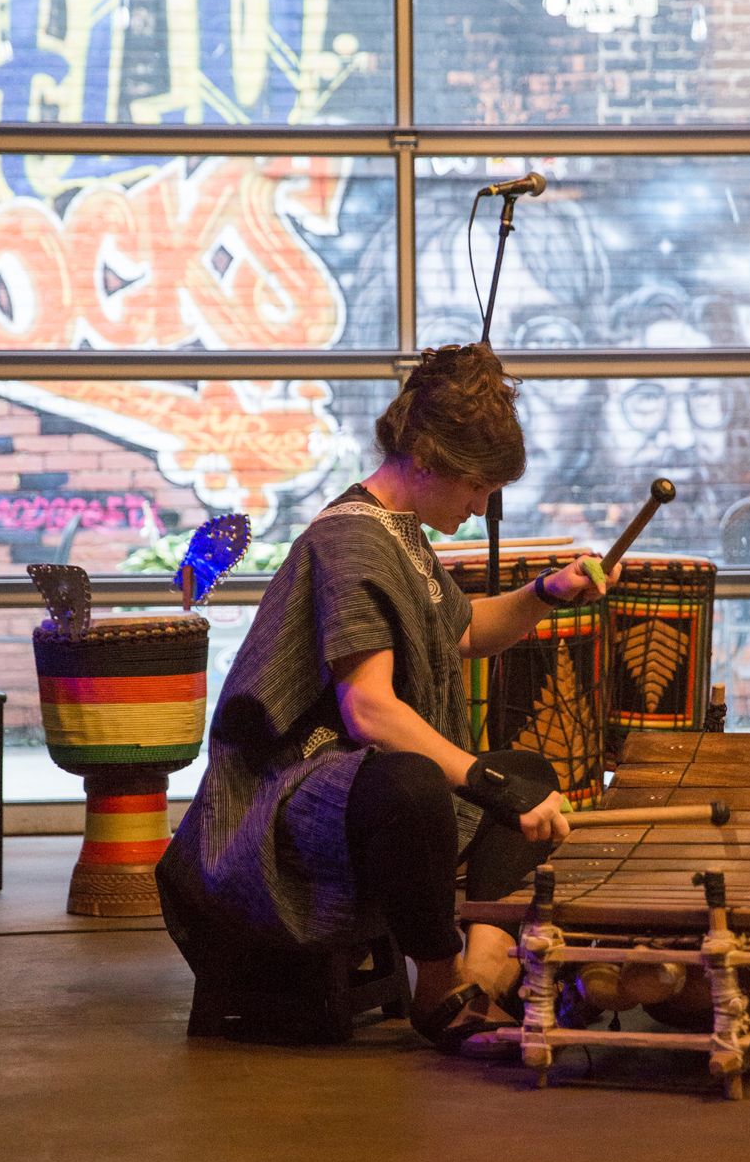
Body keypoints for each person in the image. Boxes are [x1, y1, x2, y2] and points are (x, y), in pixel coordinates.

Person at [156, 342, 615, 1051]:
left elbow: (463, 632)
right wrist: (485, 783)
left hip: (356, 775)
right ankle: (438, 982)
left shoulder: (398, 532)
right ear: (425, 460)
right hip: (292, 792)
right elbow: (366, 709)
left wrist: (546, 592)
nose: (480, 506)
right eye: (476, 487)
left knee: (527, 773)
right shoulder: (353, 539)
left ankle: (481, 969)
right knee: (419, 783)